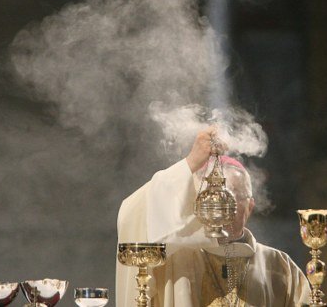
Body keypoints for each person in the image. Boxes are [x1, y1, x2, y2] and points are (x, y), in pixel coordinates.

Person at [116, 127, 310, 306]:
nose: (223, 205)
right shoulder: (176, 258)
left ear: (250, 207)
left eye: (233, 194)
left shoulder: (279, 267)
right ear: (199, 202)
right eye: (215, 195)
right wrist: (190, 163)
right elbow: (132, 213)